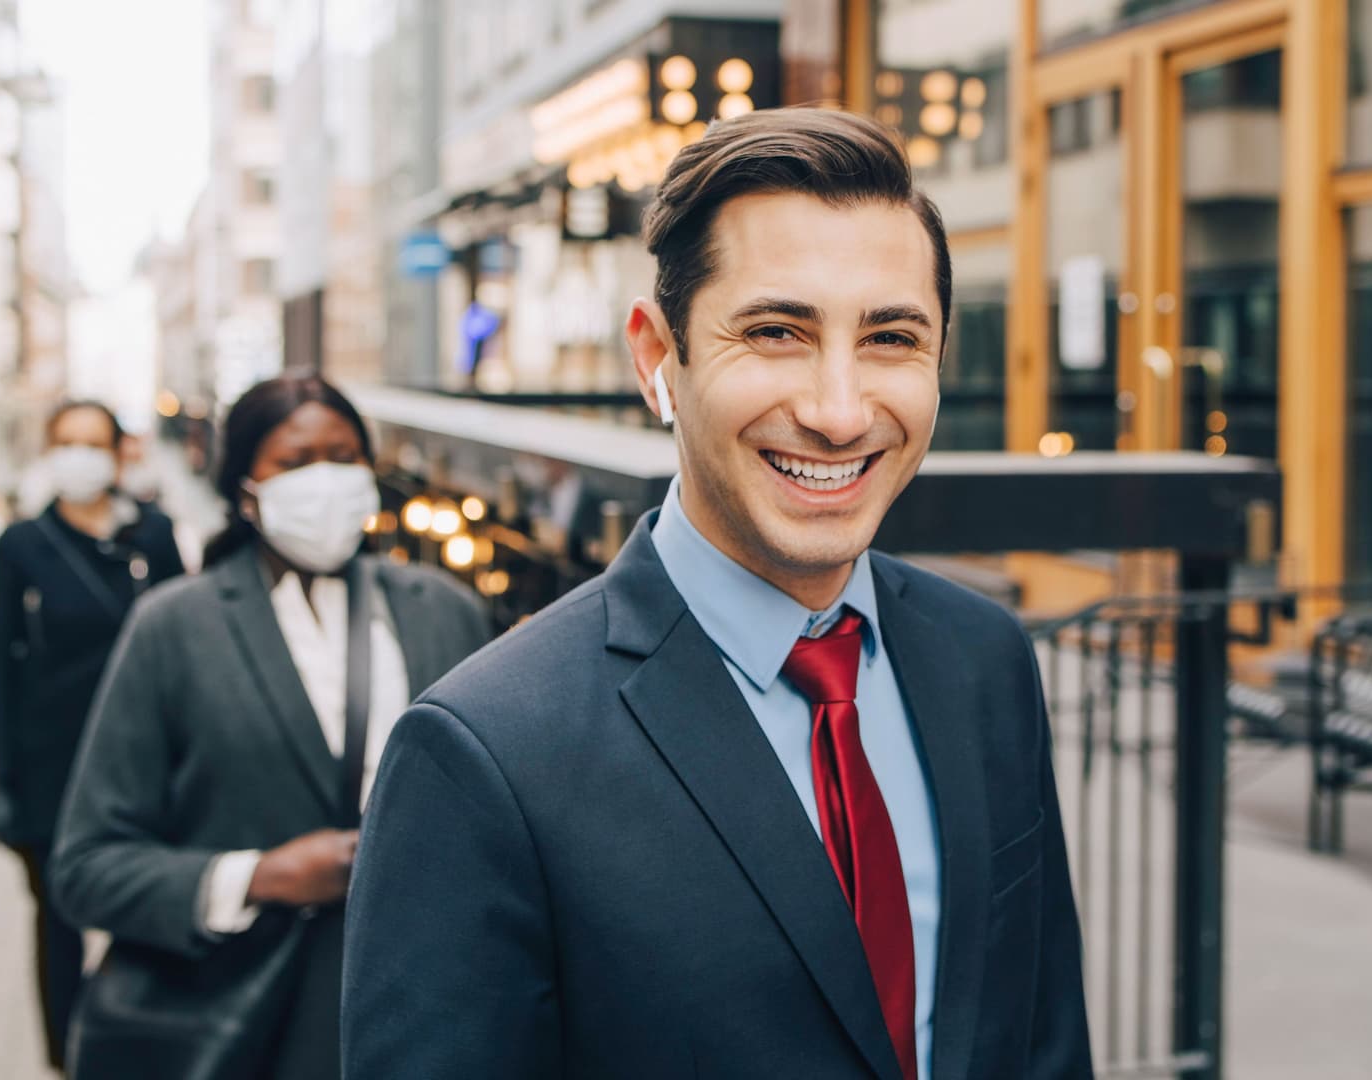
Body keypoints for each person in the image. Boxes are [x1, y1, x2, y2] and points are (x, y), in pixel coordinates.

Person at [343, 108, 1092, 1080]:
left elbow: (1039, 1041)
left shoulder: (983, 659)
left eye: (891, 338)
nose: (837, 410)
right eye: (777, 332)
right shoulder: (485, 755)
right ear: (657, 355)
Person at [50, 374, 491, 1080]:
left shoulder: (444, 611)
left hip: (426, 1016)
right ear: (245, 486)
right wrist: (258, 877)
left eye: (344, 457)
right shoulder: (175, 627)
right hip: (248, 1025)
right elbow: (86, 867)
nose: (325, 479)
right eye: (295, 461)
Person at [0, 400, 187, 1070]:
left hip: (147, 767)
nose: (79, 455)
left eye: (92, 442)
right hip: (50, 772)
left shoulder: (150, 537)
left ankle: (142, 1044)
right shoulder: (23, 545)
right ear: (47, 448)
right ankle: (67, 1056)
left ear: (119, 452)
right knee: (59, 924)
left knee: (148, 912)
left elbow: (193, 646)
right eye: (66, 441)